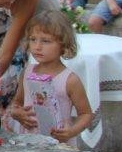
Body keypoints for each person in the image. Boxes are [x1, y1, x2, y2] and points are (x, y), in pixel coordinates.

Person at [8, 11, 94, 144]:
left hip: (58, 144)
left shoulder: (70, 80)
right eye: (33, 39)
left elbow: (86, 114)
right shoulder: (27, 72)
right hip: (27, 142)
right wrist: (16, 112)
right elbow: (17, 102)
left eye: (46, 41)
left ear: (63, 44)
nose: (37, 47)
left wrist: (71, 131)